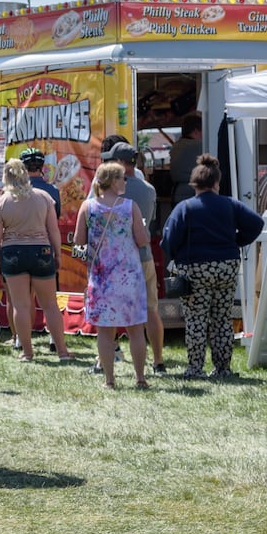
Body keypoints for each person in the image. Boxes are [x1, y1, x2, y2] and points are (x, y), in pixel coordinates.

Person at [161, 154, 265, 381]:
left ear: (194, 184)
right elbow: (257, 224)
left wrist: (178, 256)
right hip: (226, 266)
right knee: (222, 318)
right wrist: (236, 241)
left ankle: (195, 368)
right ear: (217, 183)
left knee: (196, 319)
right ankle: (223, 368)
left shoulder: (185, 207)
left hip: (195, 269)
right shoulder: (230, 204)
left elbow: (168, 240)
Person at [73, 163, 151, 388]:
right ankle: (140, 378)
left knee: (105, 333)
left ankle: (109, 380)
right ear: (114, 181)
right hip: (129, 277)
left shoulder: (87, 207)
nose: (126, 182)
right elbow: (142, 240)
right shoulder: (130, 207)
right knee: (136, 329)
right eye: (123, 178)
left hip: (101, 278)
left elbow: (79, 240)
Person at [0, 159, 71, 363]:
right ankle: (62, 351)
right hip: (41, 251)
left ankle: (27, 352)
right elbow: (53, 231)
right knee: (50, 304)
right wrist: (57, 255)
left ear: (6, 177)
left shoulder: (0, 203)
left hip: (12, 253)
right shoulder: (44, 197)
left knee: (21, 306)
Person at [102, 142, 167, 373]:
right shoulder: (149, 190)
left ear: (120, 164)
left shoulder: (108, 190)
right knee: (150, 310)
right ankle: (158, 361)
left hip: (116, 260)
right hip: (144, 256)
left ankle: (105, 363)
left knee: (109, 315)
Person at [169, 113, 205, 204]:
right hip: (193, 194)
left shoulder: (176, 146)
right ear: (196, 131)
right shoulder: (200, 146)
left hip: (176, 192)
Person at [19, 147, 60, 216]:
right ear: (42, 167)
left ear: (22, 168)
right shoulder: (53, 190)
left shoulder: (13, 191)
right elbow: (56, 216)